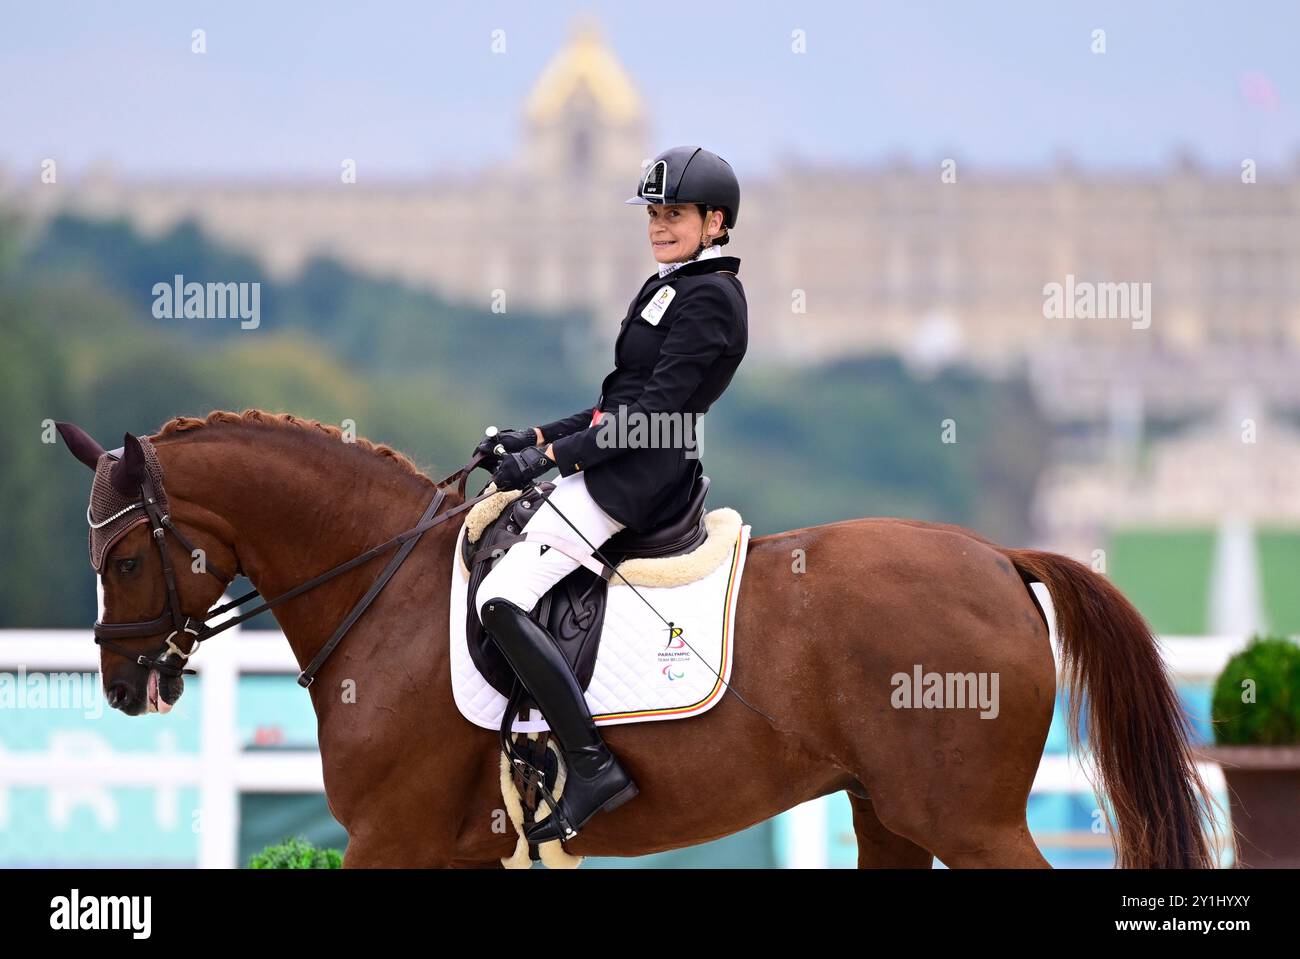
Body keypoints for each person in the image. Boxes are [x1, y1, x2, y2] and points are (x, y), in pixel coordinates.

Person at [474, 145, 748, 844]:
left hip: (640, 480)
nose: (659, 224)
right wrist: (530, 437)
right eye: (654, 212)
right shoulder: (669, 284)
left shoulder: (711, 298)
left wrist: (550, 460)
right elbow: (612, 405)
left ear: (716, 221)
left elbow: (652, 414)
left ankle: (592, 764)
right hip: (619, 461)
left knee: (499, 597)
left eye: (675, 214)